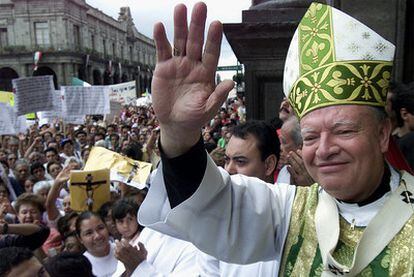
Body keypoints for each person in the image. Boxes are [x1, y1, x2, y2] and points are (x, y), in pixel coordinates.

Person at [138, 2, 414, 276]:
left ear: (382, 134)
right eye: (311, 137)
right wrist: (178, 132)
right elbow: (213, 208)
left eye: (344, 131)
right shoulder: (290, 210)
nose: (325, 149)